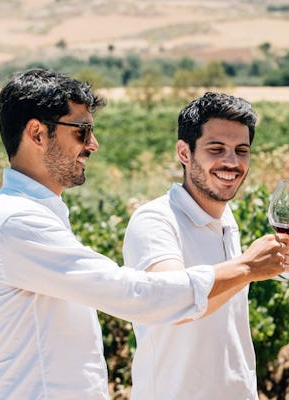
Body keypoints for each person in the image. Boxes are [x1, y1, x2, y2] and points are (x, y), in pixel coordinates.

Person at [0, 69, 289, 399]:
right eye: (81, 131)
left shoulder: (31, 215)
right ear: (37, 134)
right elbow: (138, 295)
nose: (93, 144)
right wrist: (246, 268)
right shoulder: (18, 222)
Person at [121, 91, 275, 399]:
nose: (232, 162)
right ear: (184, 152)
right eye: (216, 149)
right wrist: (247, 268)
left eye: (241, 151)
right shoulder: (155, 220)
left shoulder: (227, 219)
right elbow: (172, 302)